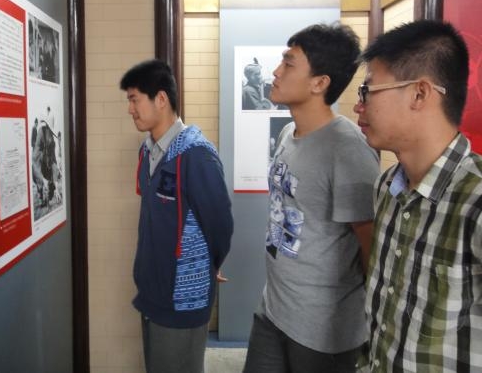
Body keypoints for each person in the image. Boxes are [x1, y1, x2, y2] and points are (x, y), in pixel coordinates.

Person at [243, 23, 380, 373]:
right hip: (273, 308)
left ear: (319, 83)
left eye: (289, 63)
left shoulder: (348, 150)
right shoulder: (288, 133)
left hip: (322, 329)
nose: (276, 71)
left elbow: (370, 247)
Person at [353, 20, 482, 371]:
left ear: (420, 94)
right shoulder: (387, 186)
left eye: (367, 91)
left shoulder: (475, 201)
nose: (358, 107)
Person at [119, 59, 234, 373]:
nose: (130, 109)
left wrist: (210, 264)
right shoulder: (148, 151)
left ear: (160, 99)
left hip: (183, 297)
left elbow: (220, 226)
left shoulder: (196, 155)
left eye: (134, 100)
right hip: (152, 292)